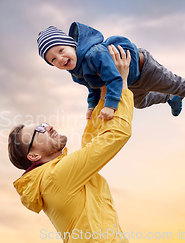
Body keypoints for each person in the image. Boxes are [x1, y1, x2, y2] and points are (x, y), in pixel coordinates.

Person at [9, 45, 133, 243]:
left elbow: (92, 144)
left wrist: (103, 95)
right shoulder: (56, 177)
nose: (48, 127)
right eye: (39, 131)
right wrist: (122, 85)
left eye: (43, 124)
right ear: (33, 156)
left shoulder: (55, 176)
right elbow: (116, 135)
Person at [37, 23, 185, 132]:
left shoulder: (93, 54)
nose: (60, 58)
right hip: (129, 81)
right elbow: (94, 87)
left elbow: (113, 79)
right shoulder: (75, 72)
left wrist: (110, 106)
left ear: (72, 45)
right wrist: (91, 106)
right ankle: (170, 98)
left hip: (144, 69)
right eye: (53, 59)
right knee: (139, 103)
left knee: (176, 84)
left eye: (61, 50)